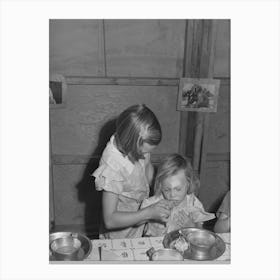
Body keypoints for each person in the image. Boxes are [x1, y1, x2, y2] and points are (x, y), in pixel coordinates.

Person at [92, 104, 172, 239]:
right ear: (130, 144)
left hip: (141, 221)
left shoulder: (135, 142)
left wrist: (161, 192)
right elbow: (110, 219)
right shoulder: (113, 166)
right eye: (144, 151)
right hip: (119, 234)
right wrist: (149, 213)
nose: (146, 155)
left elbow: (147, 167)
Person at [141, 154, 215, 237]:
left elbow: (200, 233)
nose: (172, 195)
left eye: (178, 189)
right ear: (160, 186)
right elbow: (140, 227)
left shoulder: (193, 204)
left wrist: (192, 226)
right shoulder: (152, 204)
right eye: (167, 190)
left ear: (188, 184)